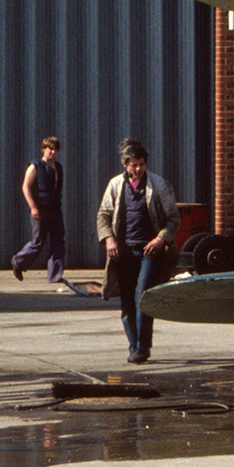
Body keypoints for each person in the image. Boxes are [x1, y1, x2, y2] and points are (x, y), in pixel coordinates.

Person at [96, 139, 178, 364]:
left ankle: (142, 347)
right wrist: (109, 239)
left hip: (149, 252)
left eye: (141, 164)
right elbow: (103, 215)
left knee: (143, 296)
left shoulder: (158, 185)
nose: (138, 169)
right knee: (127, 301)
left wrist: (161, 239)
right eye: (133, 165)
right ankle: (133, 346)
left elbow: (173, 219)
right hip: (122, 253)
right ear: (125, 164)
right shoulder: (115, 185)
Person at [11, 137, 65, 283]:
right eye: (50, 149)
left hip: (55, 210)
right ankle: (18, 262)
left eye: (55, 150)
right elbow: (26, 186)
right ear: (44, 149)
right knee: (38, 242)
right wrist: (33, 207)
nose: (53, 152)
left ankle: (55, 275)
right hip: (41, 210)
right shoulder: (35, 166)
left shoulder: (58, 167)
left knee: (58, 241)